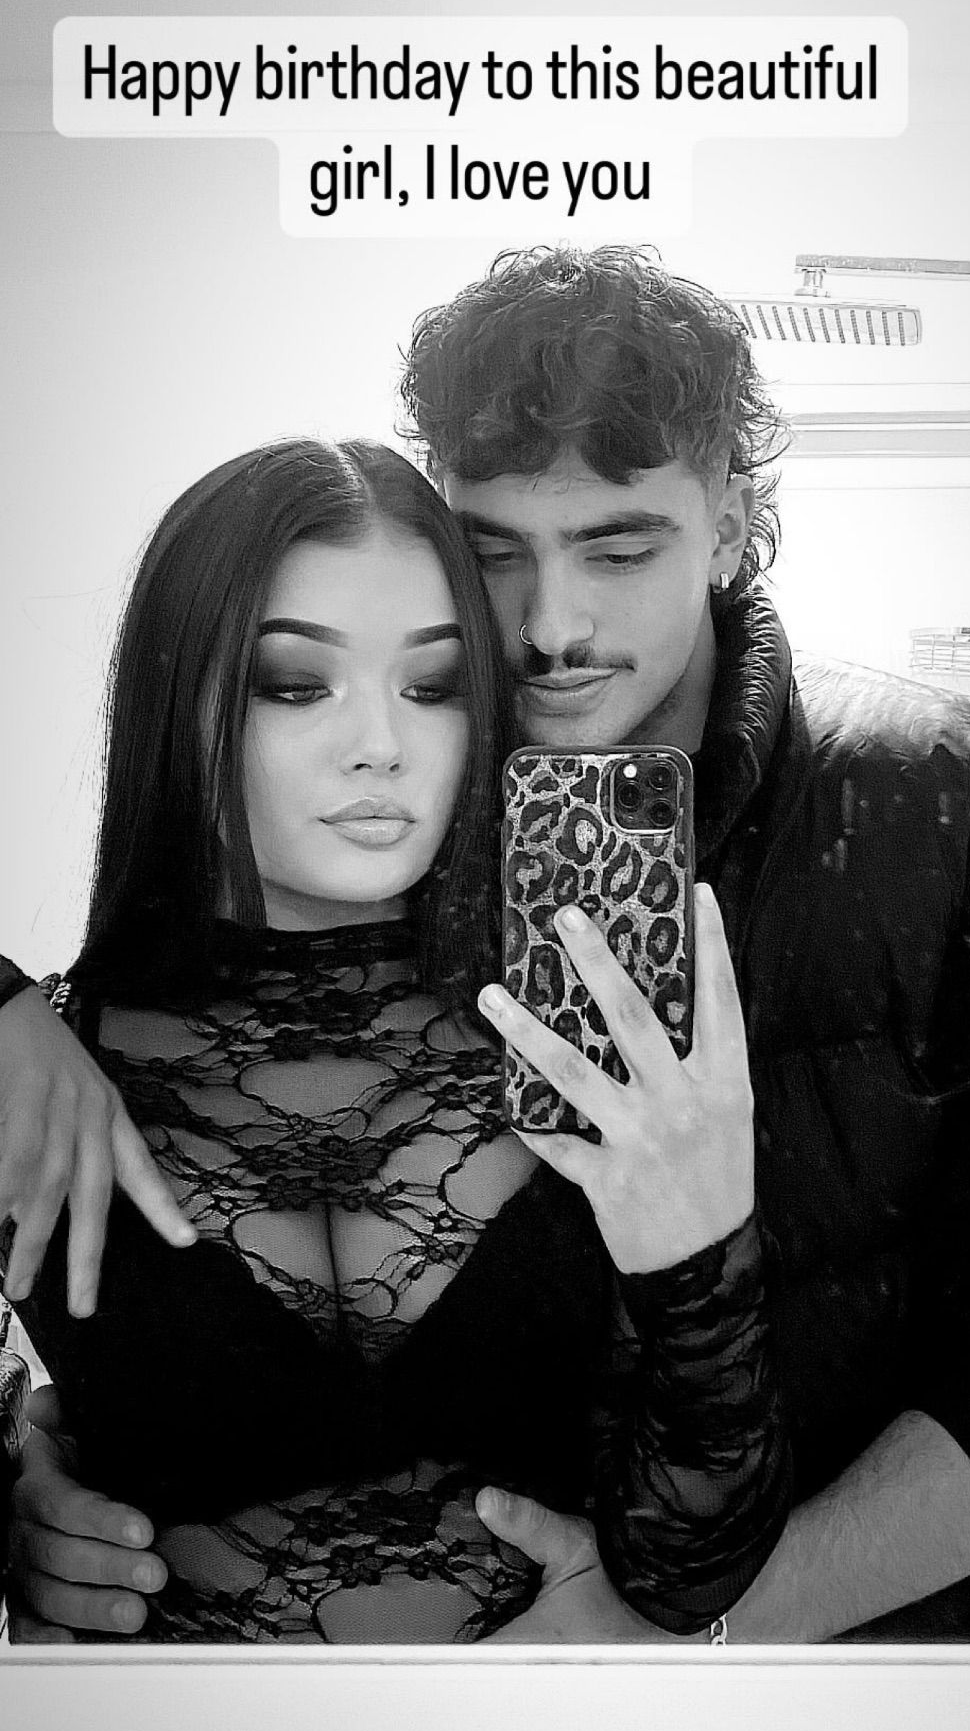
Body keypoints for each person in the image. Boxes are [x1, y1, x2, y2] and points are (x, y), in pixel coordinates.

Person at [1, 246, 970, 1644]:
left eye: (620, 549)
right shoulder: (406, 849)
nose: (549, 628)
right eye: (494, 553)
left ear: (733, 526)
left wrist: (690, 1642)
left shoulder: (931, 804)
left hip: (933, 1679)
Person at [0, 435, 787, 1642]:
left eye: (433, 685)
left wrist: (704, 1251)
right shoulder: (43, 1070)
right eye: (295, 683)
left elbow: (693, 1571)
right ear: (180, 695)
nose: (381, 743)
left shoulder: (582, 1040)